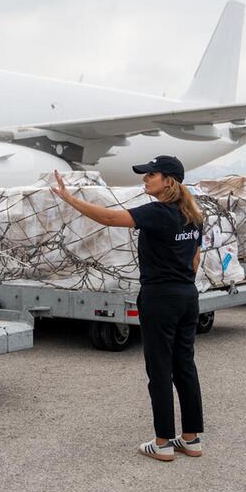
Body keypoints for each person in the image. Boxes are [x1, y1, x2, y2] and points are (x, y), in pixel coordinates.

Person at [51, 155, 204, 462]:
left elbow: (108, 219)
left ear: (168, 181)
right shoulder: (193, 216)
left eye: (151, 175)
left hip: (160, 298)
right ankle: (191, 439)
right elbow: (195, 260)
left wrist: (69, 198)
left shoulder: (159, 213)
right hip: (187, 296)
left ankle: (162, 443)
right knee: (184, 366)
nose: (145, 179)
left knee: (159, 370)